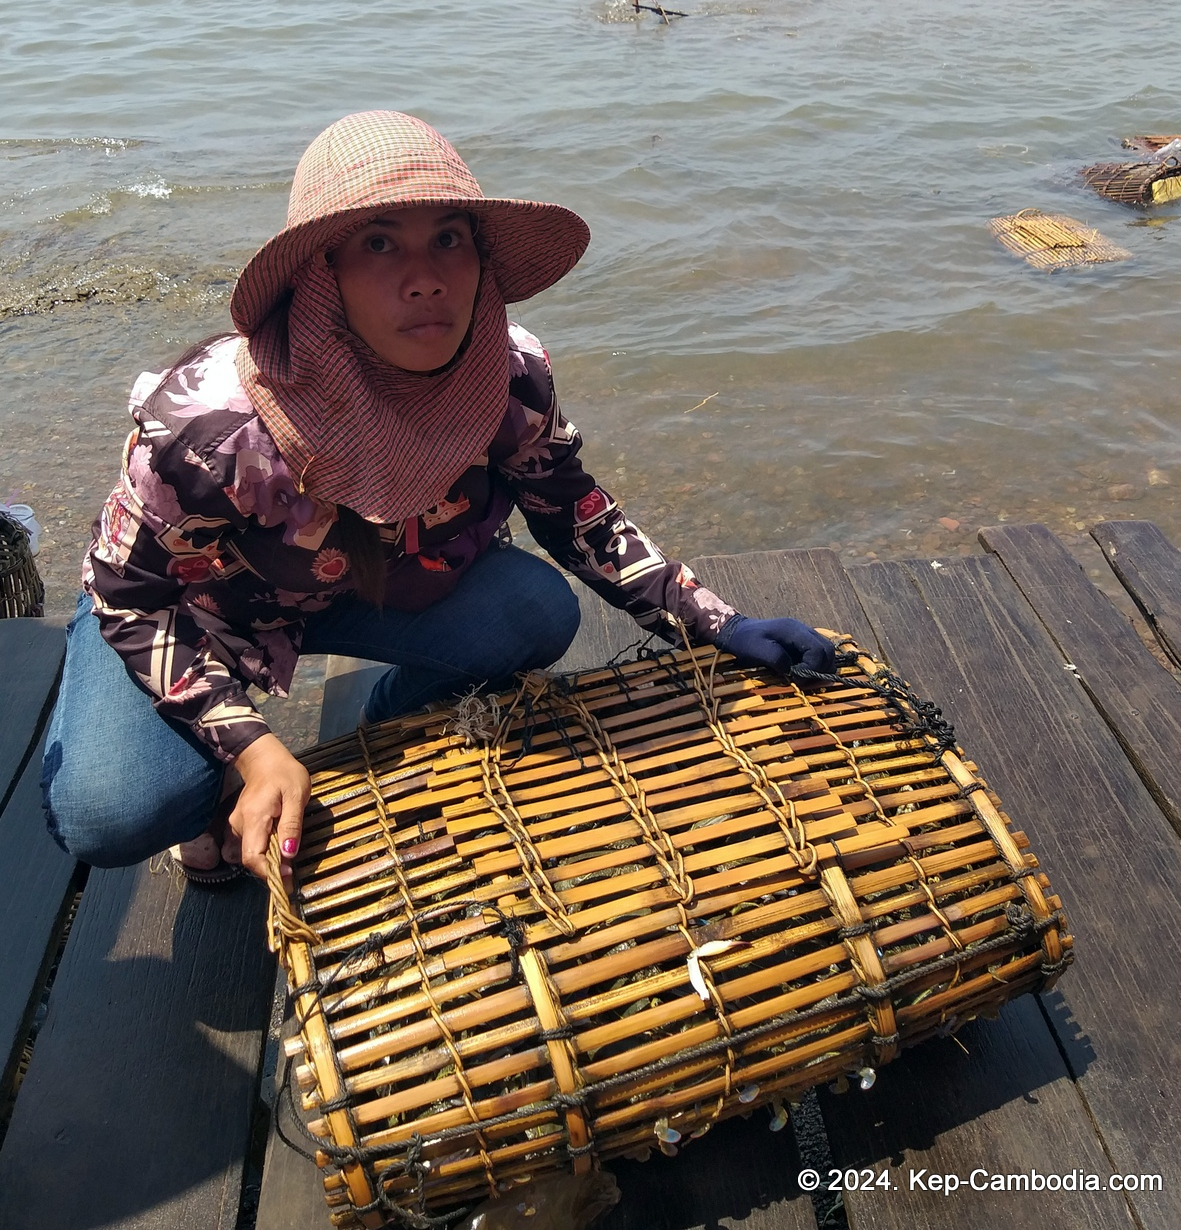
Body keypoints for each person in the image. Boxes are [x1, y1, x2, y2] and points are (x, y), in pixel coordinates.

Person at [41, 111, 834, 891]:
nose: (425, 278)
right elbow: (129, 597)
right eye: (379, 243)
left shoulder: (508, 374)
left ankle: (382, 732)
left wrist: (717, 623)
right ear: (322, 275)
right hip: (193, 605)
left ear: (482, 261)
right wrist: (250, 748)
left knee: (535, 613)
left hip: (375, 581)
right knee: (114, 811)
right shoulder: (209, 426)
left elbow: (574, 512)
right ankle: (214, 789)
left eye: (449, 238)